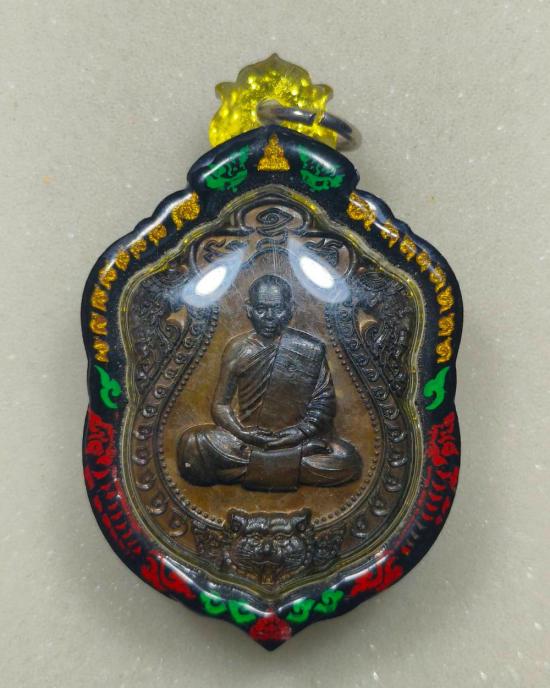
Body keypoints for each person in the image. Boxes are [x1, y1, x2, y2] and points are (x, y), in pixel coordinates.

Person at [177, 274, 362, 491]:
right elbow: (220, 405)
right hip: (245, 441)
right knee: (192, 444)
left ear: (290, 309)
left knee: (347, 460)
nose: (269, 317)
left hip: (296, 439)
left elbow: (324, 402)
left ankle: (254, 467)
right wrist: (242, 433)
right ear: (249, 309)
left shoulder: (310, 348)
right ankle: (286, 464)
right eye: (261, 309)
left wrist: (299, 433)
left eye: (277, 309)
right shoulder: (237, 349)